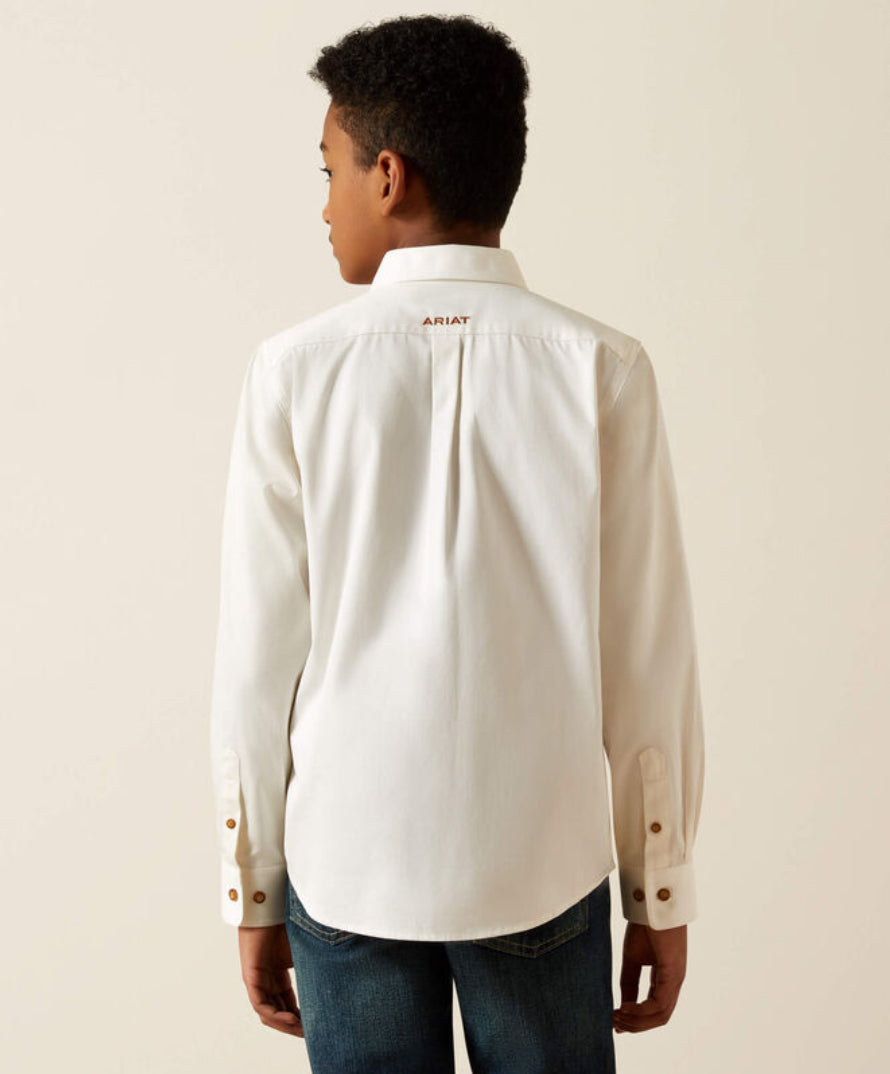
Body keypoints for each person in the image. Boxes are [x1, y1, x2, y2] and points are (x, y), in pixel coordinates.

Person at [209, 13, 706, 1073]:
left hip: (345, 864)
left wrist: (251, 884)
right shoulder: (601, 367)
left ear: (389, 176)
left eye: (330, 171)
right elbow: (647, 656)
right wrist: (657, 884)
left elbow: (257, 662)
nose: (324, 204)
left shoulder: (292, 372)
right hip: (539, 863)